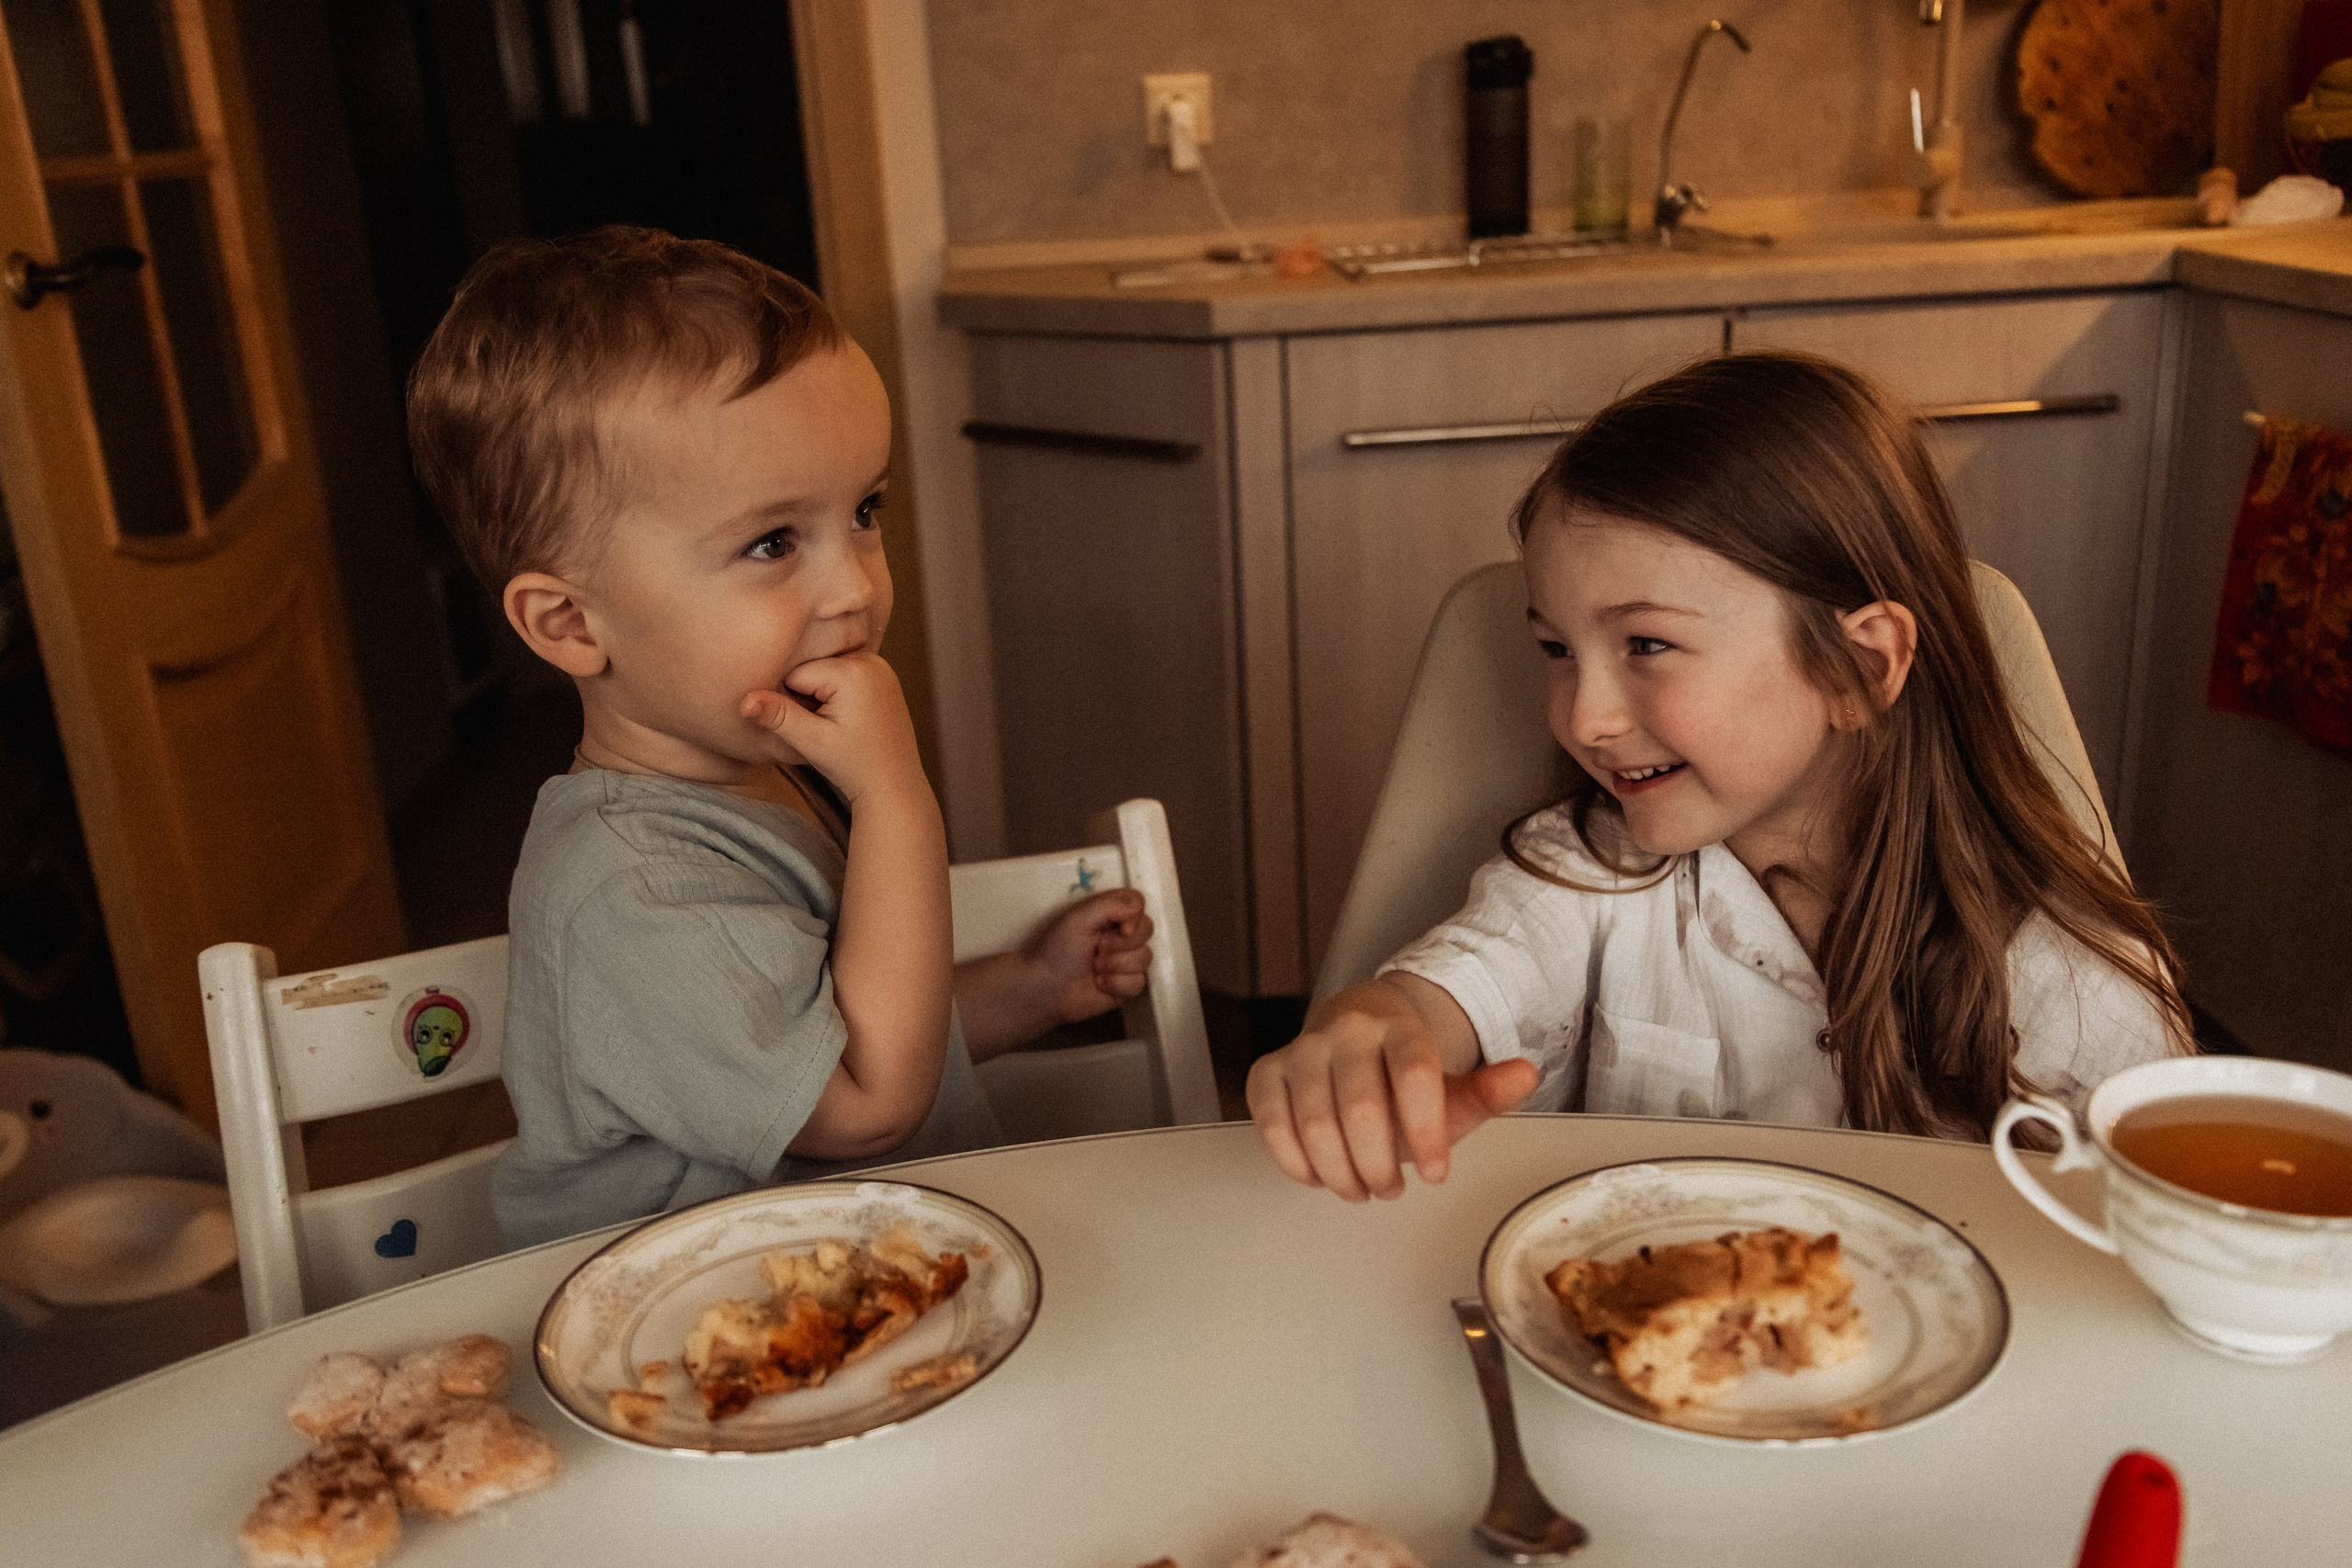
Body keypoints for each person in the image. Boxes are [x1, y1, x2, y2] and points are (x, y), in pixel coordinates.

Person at [1249, 351, 2192, 1202]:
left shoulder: (2077, 983)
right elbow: (1456, 987)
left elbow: (2152, 1241)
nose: (1584, 717)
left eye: (1647, 644)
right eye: (1556, 649)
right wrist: (1375, 1028)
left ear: (1858, 667)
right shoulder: (1589, 874)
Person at [407, 227, 1152, 1247]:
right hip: (701, 1324)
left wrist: (1030, 991)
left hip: (855, 1271)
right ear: (571, 623)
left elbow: (835, 1023)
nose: (854, 587)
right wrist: (896, 797)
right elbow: (865, 1103)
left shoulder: (766, 774)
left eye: (864, 510)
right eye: (771, 542)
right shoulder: (632, 890)